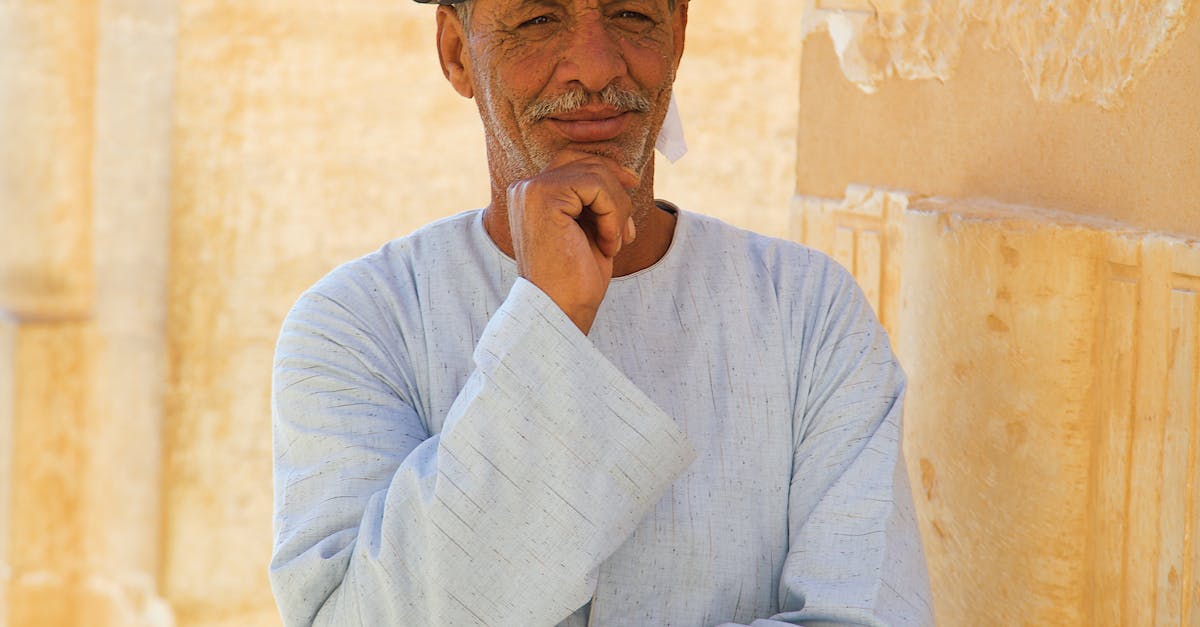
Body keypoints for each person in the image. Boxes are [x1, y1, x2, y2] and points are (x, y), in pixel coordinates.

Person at [268, 0, 933, 625]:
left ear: (677, 34)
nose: (595, 65)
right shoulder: (358, 325)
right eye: (536, 18)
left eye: (631, 13)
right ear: (456, 54)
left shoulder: (806, 315)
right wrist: (548, 319)